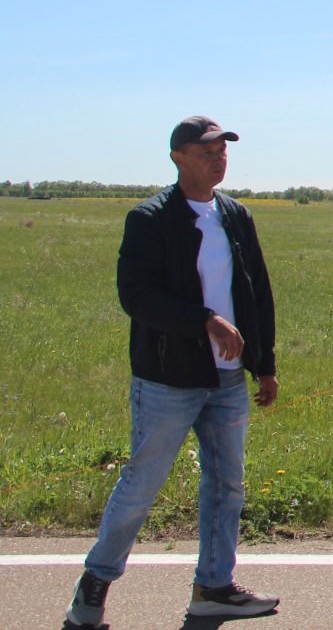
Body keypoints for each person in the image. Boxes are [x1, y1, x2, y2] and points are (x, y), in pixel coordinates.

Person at [66, 116, 280, 629]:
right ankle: (93, 588)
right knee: (142, 484)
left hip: (229, 381)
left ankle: (214, 587)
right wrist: (202, 321)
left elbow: (258, 295)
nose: (218, 157)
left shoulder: (235, 216)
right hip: (168, 379)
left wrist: (264, 365)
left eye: (223, 149)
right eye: (206, 149)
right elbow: (136, 297)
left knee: (228, 485)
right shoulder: (150, 219)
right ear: (177, 157)